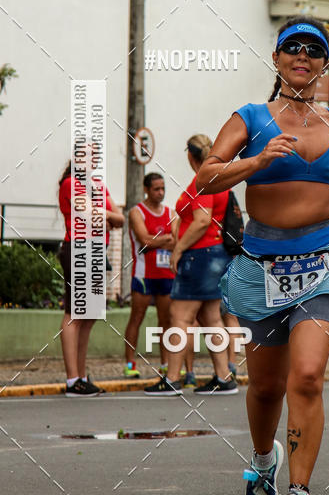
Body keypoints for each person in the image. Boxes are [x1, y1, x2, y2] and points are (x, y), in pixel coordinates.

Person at [194, 16, 329, 495]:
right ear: (277, 58)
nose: (302, 56)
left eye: (313, 49)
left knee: (306, 377)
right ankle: (264, 463)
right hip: (263, 268)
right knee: (264, 389)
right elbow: (206, 175)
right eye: (292, 48)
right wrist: (258, 160)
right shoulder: (252, 117)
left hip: (322, 267)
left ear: (324, 61)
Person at [144, 135, 237, 396]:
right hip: (215, 255)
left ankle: (172, 378)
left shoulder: (202, 180)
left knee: (180, 317)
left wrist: (179, 248)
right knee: (211, 317)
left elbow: (201, 220)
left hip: (198, 256)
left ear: (191, 155)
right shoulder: (220, 178)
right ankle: (223, 376)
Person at [58, 155, 124, 396]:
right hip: (77, 250)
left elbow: (120, 218)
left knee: (89, 316)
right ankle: (72, 379)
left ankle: (82, 376)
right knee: (74, 313)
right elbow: (92, 216)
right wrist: (105, 216)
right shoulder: (70, 184)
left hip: (96, 252)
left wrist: (103, 216)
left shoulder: (97, 185)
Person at [123, 172, 177, 378]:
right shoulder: (137, 212)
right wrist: (165, 239)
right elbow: (144, 240)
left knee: (166, 321)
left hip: (166, 274)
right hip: (144, 274)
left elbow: (176, 241)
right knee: (136, 317)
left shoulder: (170, 212)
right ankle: (130, 364)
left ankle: (165, 365)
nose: (160, 193)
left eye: (163, 188)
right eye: (156, 189)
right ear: (146, 189)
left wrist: (157, 240)